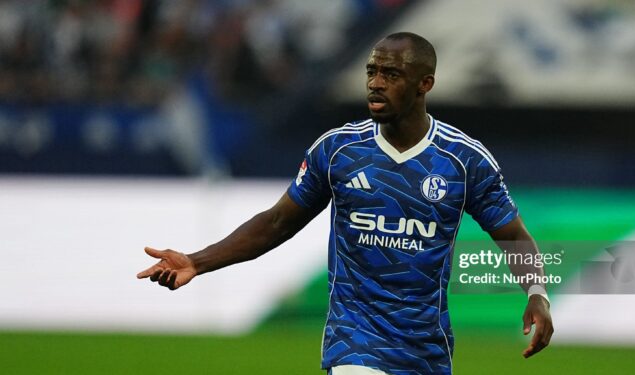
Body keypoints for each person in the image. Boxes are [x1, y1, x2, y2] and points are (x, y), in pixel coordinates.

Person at [137, 32, 553, 375]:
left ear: (424, 83)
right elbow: (277, 222)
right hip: (353, 341)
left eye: (391, 74)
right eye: (372, 71)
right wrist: (197, 261)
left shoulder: (463, 161)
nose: (375, 82)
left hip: (426, 349)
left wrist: (537, 293)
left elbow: (513, 234)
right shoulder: (338, 151)